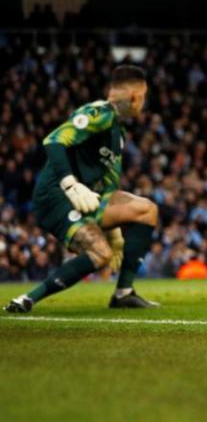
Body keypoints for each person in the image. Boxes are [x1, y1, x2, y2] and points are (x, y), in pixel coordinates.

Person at [5, 65, 160, 313]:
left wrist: (116, 232)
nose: (143, 103)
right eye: (144, 96)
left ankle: (124, 293)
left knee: (147, 210)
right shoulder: (99, 113)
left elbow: (109, 185)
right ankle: (27, 298)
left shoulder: (118, 135)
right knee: (100, 254)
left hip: (86, 199)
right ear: (134, 96)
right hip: (55, 198)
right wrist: (71, 184)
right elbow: (53, 140)